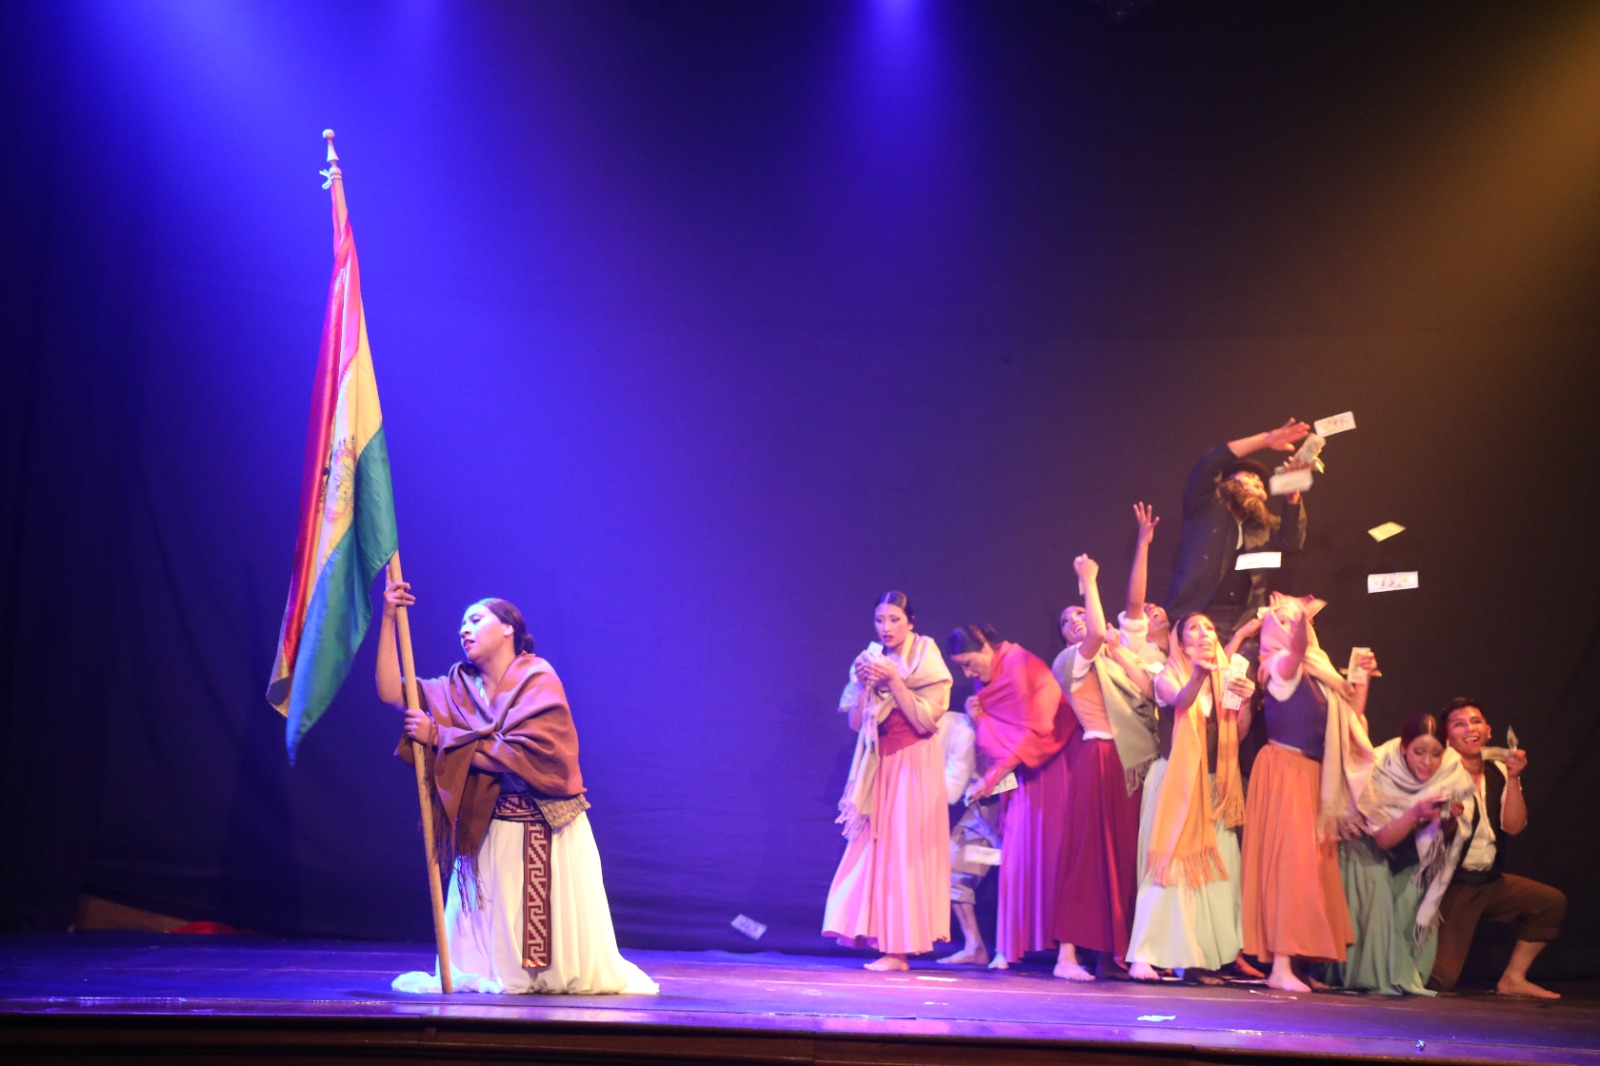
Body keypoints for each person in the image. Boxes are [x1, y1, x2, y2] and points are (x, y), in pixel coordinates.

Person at [376, 582, 657, 995]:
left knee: (554, 947)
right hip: (487, 823)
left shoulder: (538, 678)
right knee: (491, 941)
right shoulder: (457, 687)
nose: (464, 630)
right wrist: (387, 618)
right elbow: (390, 691)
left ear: (508, 628)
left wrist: (438, 735)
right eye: (461, 625)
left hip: (547, 823)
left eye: (475, 620)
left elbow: (529, 755)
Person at [1241, 594, 1374, 992]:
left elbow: (1349, 714)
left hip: (1313, 776)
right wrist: (1298, 617)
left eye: (1293, 620)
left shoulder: (1321, 673)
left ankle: (1295, 964)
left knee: (1311, 869)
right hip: (1285, 771)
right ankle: (1279, 966)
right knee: (1290, 868)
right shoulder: (1278, 665)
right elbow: (1296, 648)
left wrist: (1361, 677)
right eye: (1280, 619)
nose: (1289, 623)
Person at [824, 592, 954, 971]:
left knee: (905, 850)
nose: (886, 627)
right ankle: (885, 939)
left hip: (913, 760)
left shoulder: (925, 654)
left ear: (910, 621)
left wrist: (893, 679)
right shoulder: (868, 658)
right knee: (875, 848)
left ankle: (899, 950)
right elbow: (854, 722)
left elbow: (926, 720)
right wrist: (866, 686)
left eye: (895, 619)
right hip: (879, 763)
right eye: (880, 620)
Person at [1125, 610, 1255, 983]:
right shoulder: (1168, 676)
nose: (1204, 633)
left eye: (1210, 628)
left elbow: (1239, 733)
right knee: (1169, 868)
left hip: (1214, 785)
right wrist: (1199, 673)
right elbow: (1181, 701)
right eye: (1194, 629)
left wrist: (1243, 702)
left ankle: (1199, 958)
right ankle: (1144, 956)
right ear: (1180, 642)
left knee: (1215, 872)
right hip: (1178, 784)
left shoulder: (1226, 678)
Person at [1050, 554, 1159, 980]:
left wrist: (1119, 650)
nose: (1076, 620)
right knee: (1088, 855)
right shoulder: (1070, 663)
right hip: (1098, 760)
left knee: (1130, 856)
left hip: (1130, 763)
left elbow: (1152, 693)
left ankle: (1129, 952)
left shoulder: (1117, 662)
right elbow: (1096, 629)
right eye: (1066, 620)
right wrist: (1089, 580)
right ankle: (1066, 956)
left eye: (1079, 613)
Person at [947, 623, 1078, 969]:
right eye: (961, 666)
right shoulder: (986, 684)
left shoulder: (1021, 667)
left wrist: (990, 779)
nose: (967, 672)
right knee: (1013, 860)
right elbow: (997, 741)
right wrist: (979, 720)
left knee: (1053, 856)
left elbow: (1037, 730)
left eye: (969, 662)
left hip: (1047, 771)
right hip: (1015, 778)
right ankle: (1003, 948)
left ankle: (1066, 954)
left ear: (987, 647)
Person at [1428, 699, 1566, 999]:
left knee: (1549, 903)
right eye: (1459, 724)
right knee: (1441, 978)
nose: (1470, 729)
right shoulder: (1438, 770)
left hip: (1490, 881)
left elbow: (1513, 827)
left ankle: (1513, 979)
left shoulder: (1499, 771)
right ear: (1446, 735)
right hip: (1454, 884)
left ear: (1488, 731)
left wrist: (1514, 778)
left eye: (1475, 722)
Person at [1336, 712, 1472, 996]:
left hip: (1409, 854)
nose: (1427, 762)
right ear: (1403, 749)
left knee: (1416, 886)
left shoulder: (1451, 772)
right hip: (1365, 851)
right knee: (1377, 880)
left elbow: (1444, 839)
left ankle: (1407, 965)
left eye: (1435, 754)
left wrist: (1446, 819)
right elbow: (1383, 839)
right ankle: (1372, 970)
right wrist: (1416, 813)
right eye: (1418, 752)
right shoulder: (1378, 768)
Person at [1165, 420, 1311, 644]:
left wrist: (1292, 498)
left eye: (1261, 482)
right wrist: (1266, 439)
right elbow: (1209, 463)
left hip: (1245, 622)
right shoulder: (1204, 508)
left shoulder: (1261, 526)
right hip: (1198, 617)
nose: (1258, 482)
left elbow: (1291, 542)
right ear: (1228, 483)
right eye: (1249, 477)